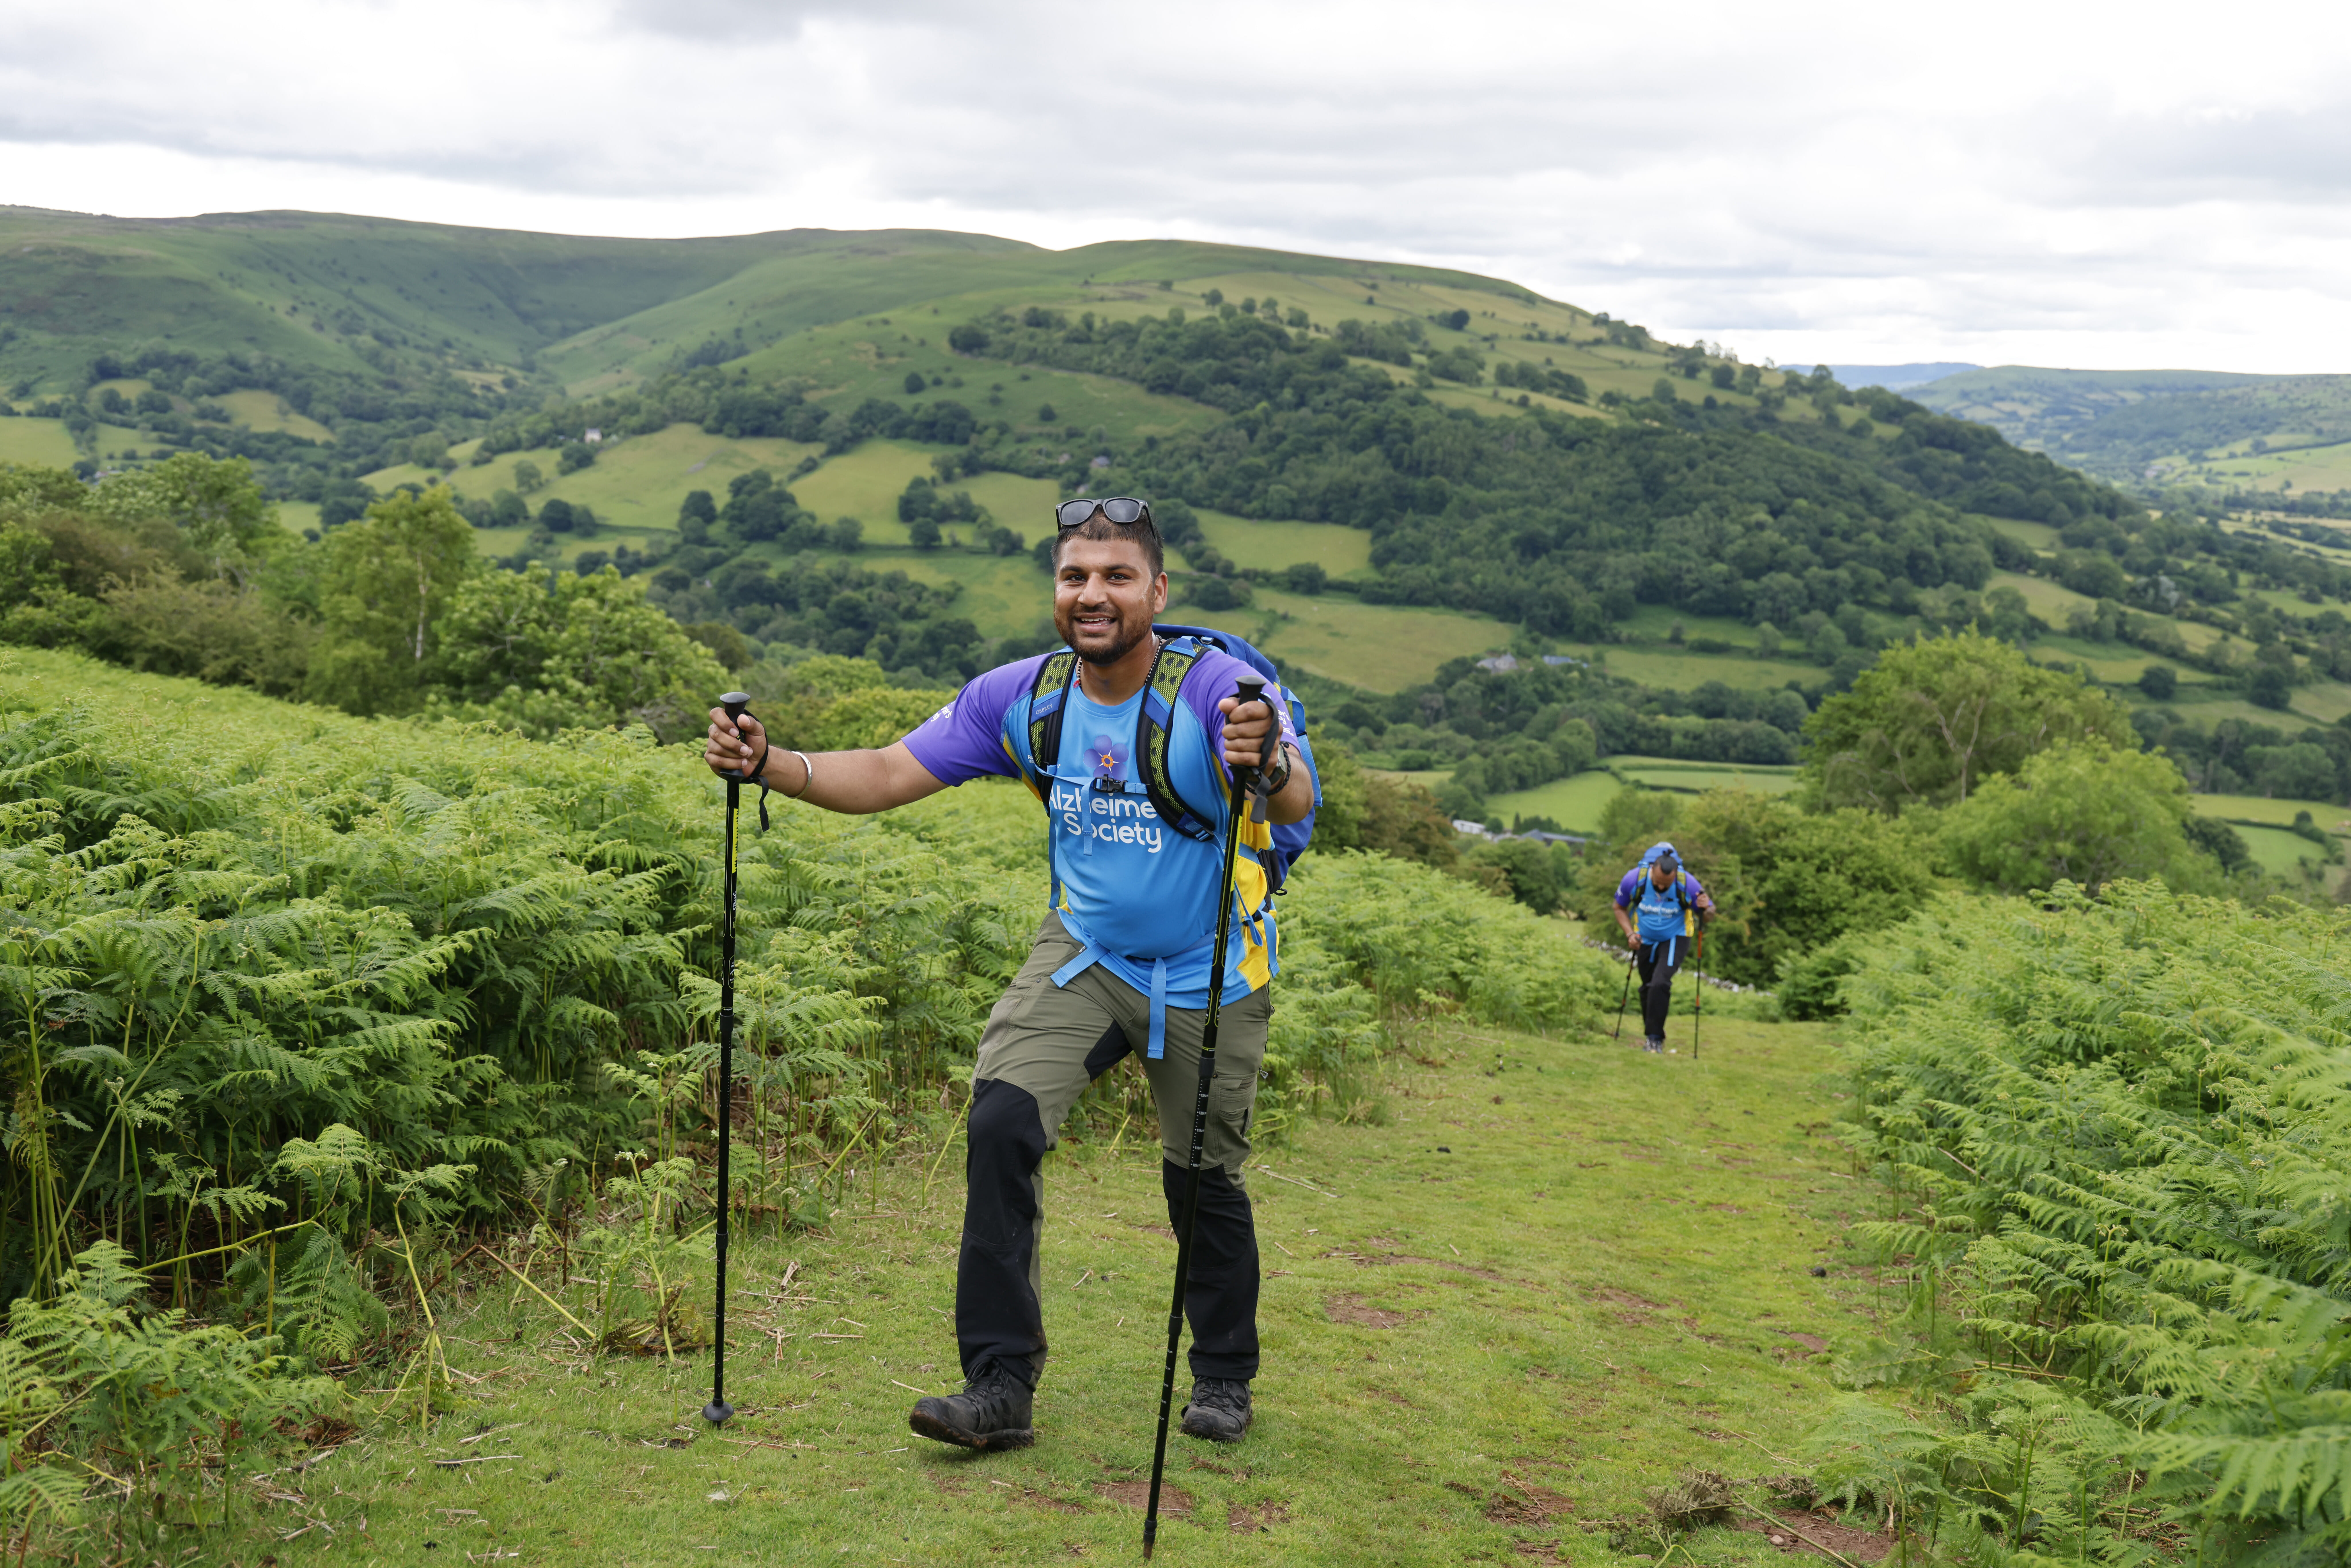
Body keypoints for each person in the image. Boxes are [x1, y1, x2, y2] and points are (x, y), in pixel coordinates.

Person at [703, 496, 1313, 1454]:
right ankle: (998, 1383)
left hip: (1210, 970)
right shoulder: (1024, 697)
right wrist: (771, 762)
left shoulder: (1215, 688)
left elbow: (1293, 786)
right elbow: (885, 772)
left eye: (1117, 577)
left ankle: (1225, 1373)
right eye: (1076, 576)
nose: (1093, 595)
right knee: (999, 1122)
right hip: (1084, 954)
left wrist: (1265, 757)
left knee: (1202, 1180)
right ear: (1056, 592)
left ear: (1158, 589)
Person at [1611, 841, 1714, 1054]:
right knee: (1648, 986)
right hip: (1644, 937)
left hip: (1676, 936)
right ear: (1652, 871)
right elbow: (1619, 907)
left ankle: (1655, 1039)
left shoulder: (1688, 883)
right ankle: (1652, 1033)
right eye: (1657, 883)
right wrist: (1630, 934)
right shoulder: (1634, 879)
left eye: (1665, 886)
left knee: (1660, 983)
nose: (1660, 888)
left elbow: (1709, 914)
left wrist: (1707, 908)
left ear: (1675, 876)